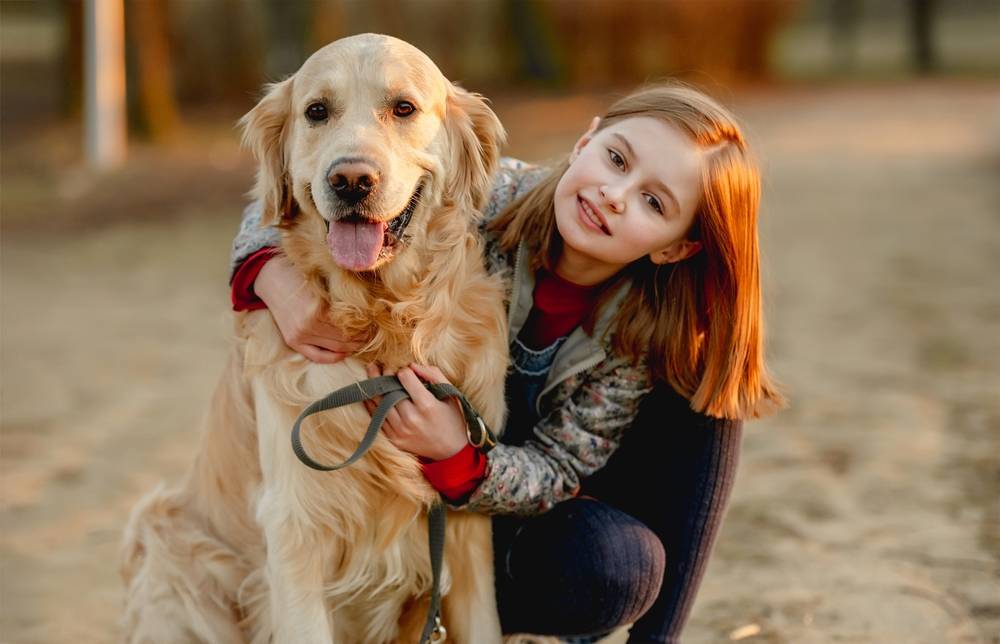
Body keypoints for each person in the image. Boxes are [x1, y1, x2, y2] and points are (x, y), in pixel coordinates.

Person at [229, 83, 783, 643]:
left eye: (654, 202)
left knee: (707, 387)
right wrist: (268, 276)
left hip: (499, 512)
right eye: (616, 159)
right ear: (585, 140)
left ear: (675, 247)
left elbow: (556, 469)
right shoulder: (485, 193)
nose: (615, 194)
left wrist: (460, 456)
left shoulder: (631, 341)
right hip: (398, 497)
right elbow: (286, 194)